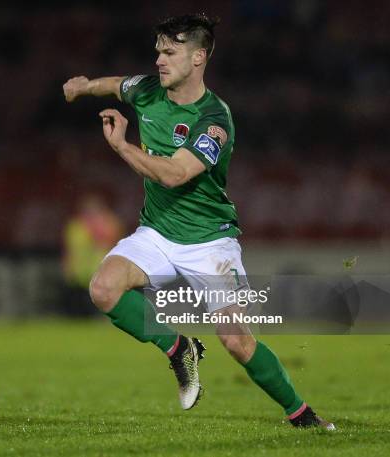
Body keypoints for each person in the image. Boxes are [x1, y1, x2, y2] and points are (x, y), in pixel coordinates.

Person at [63, 13, 334, 429]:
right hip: (157, 231)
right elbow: (116, 84)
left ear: (198, 58)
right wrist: (84, 86)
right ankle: (178, 348)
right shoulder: (147, 91)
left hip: (210, 242)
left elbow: (174, 174)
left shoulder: (214, 120)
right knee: (103, 287)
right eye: (158, 51)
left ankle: (303, 415)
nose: (159, 60)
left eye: (170, 52)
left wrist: (121, 146)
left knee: (237, 341)